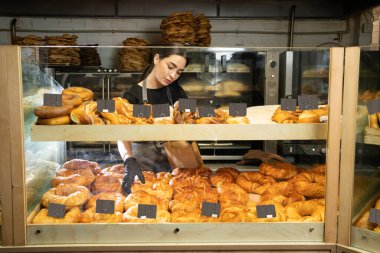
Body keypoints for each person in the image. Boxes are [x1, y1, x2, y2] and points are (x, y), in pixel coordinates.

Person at [118, 44, 189, 194]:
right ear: (157, 58)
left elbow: (190, 122)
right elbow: (121, 134)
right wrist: (128, 160)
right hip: (143, 170)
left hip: (175, 171)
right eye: (170, 67)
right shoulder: (132, 95)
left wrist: (183, 114)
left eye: (179, 72)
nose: (173, 75)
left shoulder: (177, 91)